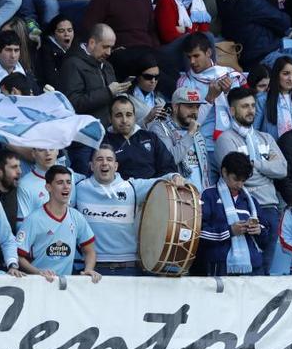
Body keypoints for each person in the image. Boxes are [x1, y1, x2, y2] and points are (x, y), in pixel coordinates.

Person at [72, 144, 184, 276]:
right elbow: (57, 174)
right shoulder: (79, 187)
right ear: (91, 166)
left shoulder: (132, 187)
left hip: (129, 266)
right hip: (92, 267)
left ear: (116, 166)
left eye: (109, 159)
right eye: (99, 159)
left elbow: (164, 180)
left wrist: (175, 176)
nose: (104, 163)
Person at [215, 87, 287, 273]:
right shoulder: (225, 139)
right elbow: (237, 176)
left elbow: (283, 169)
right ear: (232, 111)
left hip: (270, 209)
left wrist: (256, 164)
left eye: (253, 106)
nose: (251, 110)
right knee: (247, 270)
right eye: (245, 106)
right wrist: (266, 168)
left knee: (264, 270)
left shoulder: (266, 137)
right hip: (244, 209)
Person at [82, 0, 160, 77]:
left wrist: (156, 49)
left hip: (147, 50)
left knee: (168, 64)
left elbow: (152, 31)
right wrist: (109, 50)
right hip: (121, 51)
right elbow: (89, 27)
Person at [17, 165, 101, 282]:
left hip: (64, 287)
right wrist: (38, 273)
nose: (66, 187)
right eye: (60, 182)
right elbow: (18, 256)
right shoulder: (33, 219)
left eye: (68, 182)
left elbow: (90, 250)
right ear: (48, 187)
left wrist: (88, 269)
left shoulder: (76, 217)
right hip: (38, 285)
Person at [177, 32, 246, 168]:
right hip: (200, 147)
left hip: (230, 144)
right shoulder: (184, 82)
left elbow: (242, 116)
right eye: (189, 57)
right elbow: (187, 123)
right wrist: (210, 99)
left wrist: (228, 94)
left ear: (208, 52)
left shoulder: (229, 74)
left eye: (196, 56)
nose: (192, 62)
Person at [195, 151, 269, 275]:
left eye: (243, 181)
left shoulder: (250, 200)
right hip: (220, 266)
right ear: (224, 172)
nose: (239, 185)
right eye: (236, 179)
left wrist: (259, 230)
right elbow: (199, 233)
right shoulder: (208, 195)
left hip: (253, 266)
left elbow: (266, 237)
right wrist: (230, 231)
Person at [219, 0, 291, 71]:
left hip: (263, 52)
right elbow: (284, 22)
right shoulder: (250, 0)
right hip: (264, 57)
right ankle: (279, 85)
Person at [80, 96, 177, 179]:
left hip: (153, 192)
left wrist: (164, 182)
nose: (124, 120)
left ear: (134, 116)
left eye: (129, 115)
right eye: (118, 115)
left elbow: (168, 166)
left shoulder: (150, 137)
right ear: (110, 118)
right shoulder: (102, 143)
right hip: (120, 196)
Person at [147, 86, 212, 191]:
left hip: (200, 195)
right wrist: (190, 135)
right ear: (175, 107)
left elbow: (205, 170)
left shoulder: (196, 131)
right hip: (176, 195)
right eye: (190, 106)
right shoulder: (159, 128)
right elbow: (170, 160)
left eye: (197, 107)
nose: (195, 112)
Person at [59, 23, 124, 126]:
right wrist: (108, 92)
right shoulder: (72, 64)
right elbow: (73, 103)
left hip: (110, 130)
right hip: (86, 131)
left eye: (111, 48)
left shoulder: (107, 66)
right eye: (105, 47)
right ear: (92, 43)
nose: (109, 52)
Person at [17, 147, 69, 221]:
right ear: (33, 153)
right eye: (41, 149)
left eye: (51, 148)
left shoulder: (71, 176)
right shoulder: (24, 185)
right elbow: (21, 224)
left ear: (57, 151)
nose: (48, 153)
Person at [254, 56, 292, 138]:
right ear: (276, 75)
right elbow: (254, 131)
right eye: (286, 74)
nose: (291, 78)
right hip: (272, 149)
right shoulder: (262, 99)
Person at [125, 53, 167, 125]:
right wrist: (147, 119)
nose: (153, 81)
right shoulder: (125, 98)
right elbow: (123, 128)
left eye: (156, 77)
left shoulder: (160, 100)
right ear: (138, 76)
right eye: (148, 77)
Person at [38, 15, 74, 89]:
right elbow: (52, 81)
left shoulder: (77, 47)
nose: (66, 34)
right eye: (61, 31)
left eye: (69, 30)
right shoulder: (45, 51)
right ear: (53, 34)